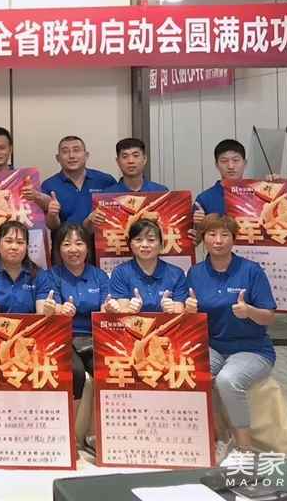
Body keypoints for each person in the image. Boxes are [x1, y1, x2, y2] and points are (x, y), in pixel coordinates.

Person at [187, 214, 276, 454]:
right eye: (212, 234)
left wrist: (249, 311)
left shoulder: (251, 271)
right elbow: (191, 318)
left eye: (225, 235)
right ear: (204, 238)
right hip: (213, 346)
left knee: (228, 380)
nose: (218, 240)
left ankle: (244, 448)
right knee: (192, 374)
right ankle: (219, 437)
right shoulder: (195, 273)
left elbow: (269, 316)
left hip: (252, 349)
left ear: (234, 239)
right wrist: (189, 310)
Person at [48, 223, 111, 405]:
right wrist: (58, 310)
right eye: (67, 244)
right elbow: (48, 306)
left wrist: (109, 309)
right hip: (63, 339)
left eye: (79, 243)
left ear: (87, 247)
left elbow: (105, 307)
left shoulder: (99, 276)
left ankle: (105, 419)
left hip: (94, 338)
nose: (73, 249)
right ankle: (73, 422)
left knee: (108, 370)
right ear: (58, 249)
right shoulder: (51, 275)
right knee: (75, 372)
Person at [0, 219, 54, 314]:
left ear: (27, 247)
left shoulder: (38, 274)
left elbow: (41, 313)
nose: (14, 247)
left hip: (29, 324)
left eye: (20, 242)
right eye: (8, 241)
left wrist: (47, 310)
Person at [106, 219, 190, 313]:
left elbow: (179, 309)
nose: (145, 245)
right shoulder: (120, 272)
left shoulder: (177, 274)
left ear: (161, 244)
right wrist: (130, 310)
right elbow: (122, 309)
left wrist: (172, 310)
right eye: (138, 239)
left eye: (151, 240)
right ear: (130, 244)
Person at [41, 136, 117, 232]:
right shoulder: (49, 185)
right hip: (64, 241)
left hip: (100, 240)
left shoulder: (105, 181)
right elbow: (51, 226)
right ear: (58, 158)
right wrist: (52, 214)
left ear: (86, 155)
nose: (71, 156)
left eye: (76, 150)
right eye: (65, 151)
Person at [194, 139, 247, 225]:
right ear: (217, 165)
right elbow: (195, 232)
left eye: (236, 160)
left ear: (245, 163)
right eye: (224, 161)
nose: (230, 166)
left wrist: (272, 186)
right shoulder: (204, 199)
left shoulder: (257, 194)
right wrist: (199, 224)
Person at [102, 138, 169, 193]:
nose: (131, 161)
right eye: (125, 156)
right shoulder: (107, 195)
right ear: (118, 161)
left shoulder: (161, 192)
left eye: (136, 156)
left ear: (144, 159)